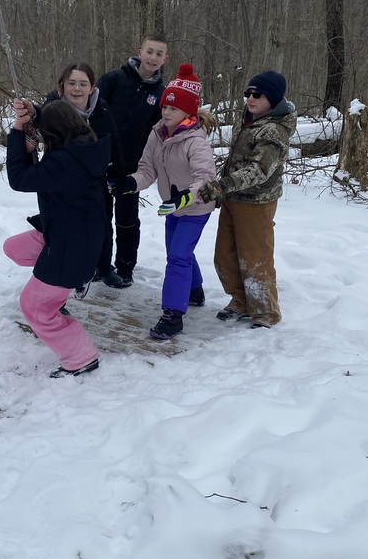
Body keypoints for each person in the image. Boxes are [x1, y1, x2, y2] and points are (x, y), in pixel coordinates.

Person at [4, 99, 111, 377]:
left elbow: (19, 179)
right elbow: (52, 118)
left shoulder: (65, 161)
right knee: (14, 248)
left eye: (41, 132)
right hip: (70, 232)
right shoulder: (83, 144)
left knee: (34, 308)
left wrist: (18, 134)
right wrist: (32, 115)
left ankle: (81, 357)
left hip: (70, 247)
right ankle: (58, 288)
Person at [117, 63, 218, 339]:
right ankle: (194, 291)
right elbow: (147, 170)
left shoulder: (195, 141)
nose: (166, 112)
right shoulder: (158, 134)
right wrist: (129, 183)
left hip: (196, 207)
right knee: (178, 251)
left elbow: (206, 178)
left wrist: (185, 197)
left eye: (173, 108)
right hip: (171, 207)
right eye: (165, 107)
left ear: (188, 111)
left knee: (177, 256)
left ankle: (173, 314)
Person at [198, 70, 297, 328]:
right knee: (225, 255)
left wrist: (224, 185)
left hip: (256, 202)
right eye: (248, 94)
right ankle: (240, 301)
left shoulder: (274, 130)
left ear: (273, 99)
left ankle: (265, 313)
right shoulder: (249, 119)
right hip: (233, 197)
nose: (250, 98)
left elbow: (259, 170)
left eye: (257, 95)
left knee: (255, 258)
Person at [14, 61, 124, 289]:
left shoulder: (101, 109)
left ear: (92, 88)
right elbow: (41, 119)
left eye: (83, 84)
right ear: (61, 86)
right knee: (64, 230)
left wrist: (118, 174)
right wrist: (30, 113)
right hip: (60, 181)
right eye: (71, 83)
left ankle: (103, 267)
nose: (77, 88)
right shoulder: (53, 106)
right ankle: (60, 276)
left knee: (102, 223)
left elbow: (114, 142)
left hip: (94, 181)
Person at [97, 36, 169, 286]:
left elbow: (158, 132)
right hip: (99, 163)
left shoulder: (161, 94)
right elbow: (90, 111)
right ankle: (100, 265)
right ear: (139, 52)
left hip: (130, 168)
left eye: (159, 54)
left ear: (164, 59)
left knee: (127, 220)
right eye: (150, 51)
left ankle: (125, 267)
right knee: (100, 217)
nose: (153, 57)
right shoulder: (113, 80)